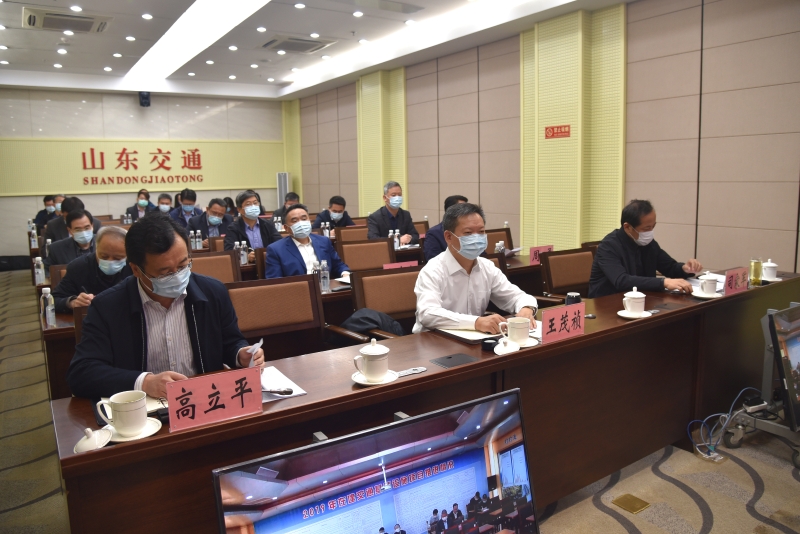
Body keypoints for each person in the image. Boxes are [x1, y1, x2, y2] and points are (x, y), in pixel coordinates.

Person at [65, 214, 265, 399]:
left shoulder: (213, 292)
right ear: (136, 269)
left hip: (205, 401)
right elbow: (82, 373)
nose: (177, 276)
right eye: (165, 273)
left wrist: (240, 354)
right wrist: (144, 382)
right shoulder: (107, 306)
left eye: (183, 265)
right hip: (145, 410)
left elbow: (230, 341)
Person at [413, 203, 538, 334]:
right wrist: (476, 322)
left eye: (481, 232)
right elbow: (427, 314)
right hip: (434, 340)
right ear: (449, 237)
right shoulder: (432, 270)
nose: (476, 238)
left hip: (474, 339)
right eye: (468, 233)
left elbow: (516, 297)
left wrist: (526, 308)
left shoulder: (487, 267)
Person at [588, 199, 702, 298]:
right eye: (647, 228)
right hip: (608, 304)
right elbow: (621, 280)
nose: (650, 232)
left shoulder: (648, 243)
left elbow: (669, 267)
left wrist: (685, 269)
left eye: (653, 226)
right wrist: (663, 282)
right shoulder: (608, 246)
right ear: (627, 227)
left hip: (644, 301)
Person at [52, 226, 133, 313]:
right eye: (104, 257)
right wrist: (72, 302)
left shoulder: (135, 267)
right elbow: (54, 300)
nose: (110, 261)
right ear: (96, 249)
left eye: (118, 258)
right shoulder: (78, 267)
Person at [265, 204, 349, 279]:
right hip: (297, 290)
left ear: (310, 222)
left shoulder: (324, 241)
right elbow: (274, 281)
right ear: (287, 228)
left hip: (325, 287)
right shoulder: (276, 250)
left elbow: (338, 265)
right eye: (295, 221)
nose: (301, 223)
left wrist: (345, 274)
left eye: (304, 219)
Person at [224, 190, 281, 263]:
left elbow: (279, 244)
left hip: (268, 263)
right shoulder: (233, 228)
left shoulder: (268, 224)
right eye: (248, 204)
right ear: (239, 210)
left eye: (255, 203)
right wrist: (246, 256)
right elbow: (229, 251)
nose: (253, 206)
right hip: (247, 266)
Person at [424, 195, 468, 261]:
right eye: (463, 210)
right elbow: (433, 259)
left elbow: (481, 255)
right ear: (450, 212)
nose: (467, 213)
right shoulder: (434, 233)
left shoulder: (471, 232)